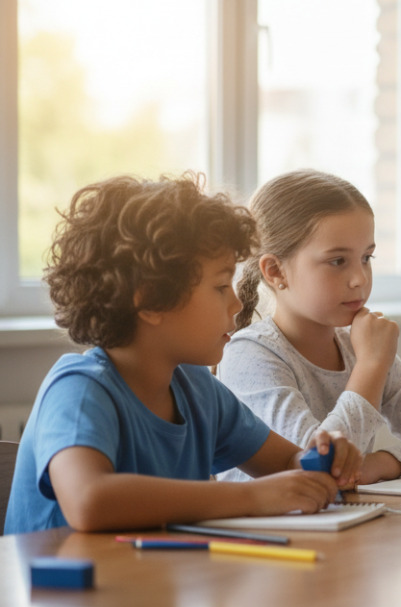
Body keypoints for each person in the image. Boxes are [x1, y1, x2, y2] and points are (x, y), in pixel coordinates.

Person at [5, 174, 361, 535]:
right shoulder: (80, 391)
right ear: (150, 300)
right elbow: (89, 501)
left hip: (143, 584)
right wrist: (251, 498)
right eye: (221, 287)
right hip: (58, 591)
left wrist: (318, 457)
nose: (237, 303)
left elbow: (285, 461)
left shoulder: (196, 388)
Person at [217, 170, 401, 485]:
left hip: (341, 525)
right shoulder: (249, 354)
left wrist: (379, 463)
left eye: (367, 257)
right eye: (338, 261)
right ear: (275, 271)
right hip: (266, 530)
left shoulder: (359, 346)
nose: (360, 279)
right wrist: (371, 366)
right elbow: (317, 465)